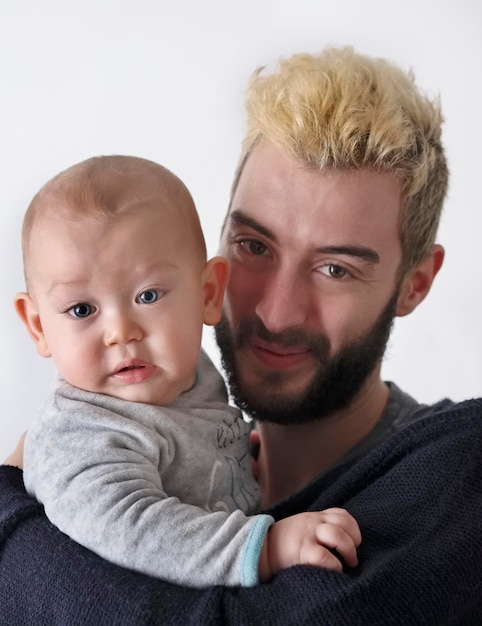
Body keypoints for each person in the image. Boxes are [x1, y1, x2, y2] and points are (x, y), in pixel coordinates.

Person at [1, 45, 482, 625]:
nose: (276, 313)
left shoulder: (456, 468)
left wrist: (8, 509)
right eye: (255, 246)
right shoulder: (167, 441)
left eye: (335, 269)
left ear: (416, 283)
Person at [11, 154, 360, 589]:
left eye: (149, 295)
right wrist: (267, 547)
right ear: (39, 326)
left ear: (208, 292)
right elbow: (136, 531)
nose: (121, 332)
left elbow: (192, 445)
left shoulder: (184, 372)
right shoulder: (80, 436)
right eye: (82, 309)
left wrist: (235, 454)